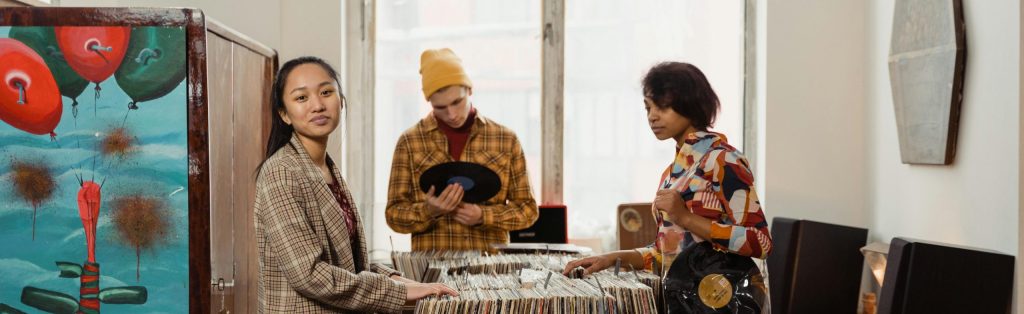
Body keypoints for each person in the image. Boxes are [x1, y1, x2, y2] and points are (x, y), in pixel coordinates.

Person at [563, 62, 772, 311]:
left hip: (721, 303)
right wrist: (612, 258)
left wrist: (685, 217)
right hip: (682, 301)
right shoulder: (673, 173)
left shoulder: (723, 160)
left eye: (662, 106)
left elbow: (760, 242)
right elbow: (666, 254)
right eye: (648, 108)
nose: (652, 116)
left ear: (690, 103)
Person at [254, 56, 456, 313]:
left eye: (326, 92)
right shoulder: (281, 173)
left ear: (341, 100)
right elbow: (310, 274)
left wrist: (394, 278)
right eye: (302, 98)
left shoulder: (325, 167)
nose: (317, 105)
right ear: (284, 114)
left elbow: (346, 261)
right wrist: (400, 291)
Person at [385, 48, 539, 251]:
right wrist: (428, 211)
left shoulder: (506, 139)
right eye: (440, 107)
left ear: (469, 90)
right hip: (431, 274)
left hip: (491, 273)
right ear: (429, 102)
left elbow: (528, 210)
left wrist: (484, 216)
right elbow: (394, 215)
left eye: (457, 102)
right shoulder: (409, 142)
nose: (451, 114)